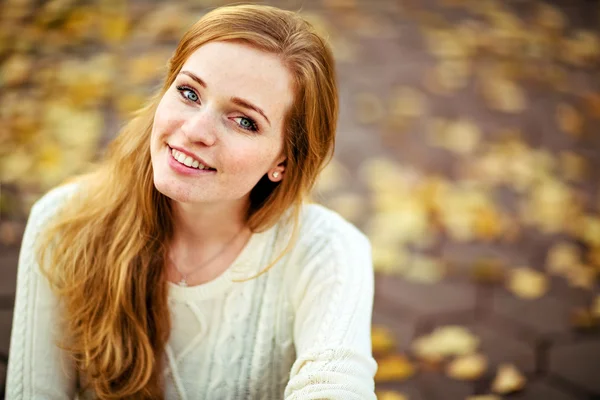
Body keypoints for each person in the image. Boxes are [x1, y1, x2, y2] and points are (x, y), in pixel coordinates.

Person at [5, 4, 377, 399]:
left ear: (283, 160)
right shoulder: (63, 223)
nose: (195, 130)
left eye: (244, 120)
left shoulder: (328, 252)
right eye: (189, 92)